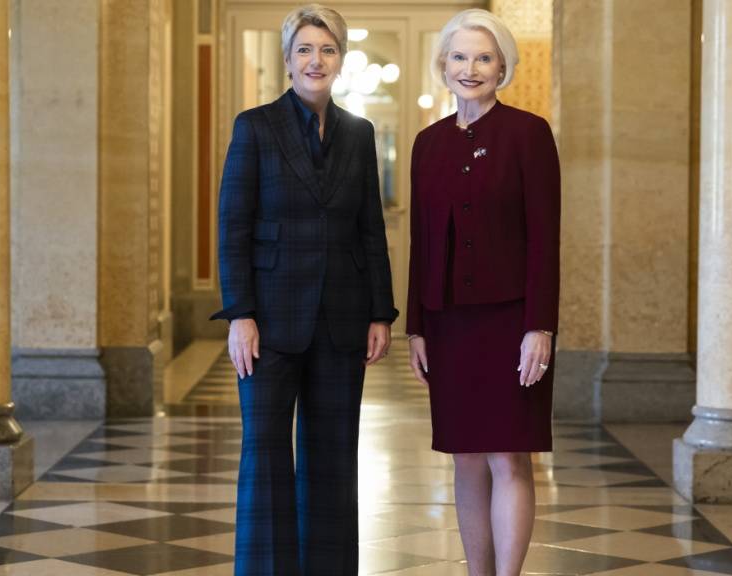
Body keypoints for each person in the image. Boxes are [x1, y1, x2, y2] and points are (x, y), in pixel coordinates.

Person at [210, 4, 398, 574]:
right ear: (288, 61)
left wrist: (381, 313)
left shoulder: (359, 133)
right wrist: (240, 313)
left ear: (340, 59)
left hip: (341, 320)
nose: (316, 60)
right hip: (268, 322)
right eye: (305, 50)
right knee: (265, 455)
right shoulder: (255, 126)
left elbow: (371, 229)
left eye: (328, 49)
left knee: (332, 459)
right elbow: (233, 225)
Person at [405, 8, 561, 576]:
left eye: (484, 58)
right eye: (460, 57)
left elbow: (546, 238)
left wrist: (539, 327)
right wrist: (417, 327)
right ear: (443, 66)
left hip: (511, 322)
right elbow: (421, 241)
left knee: (507, 455)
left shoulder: (529, 134)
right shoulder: (427, 144)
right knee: (464, 457)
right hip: (448, 325)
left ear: (503, 68)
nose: (471, 68)